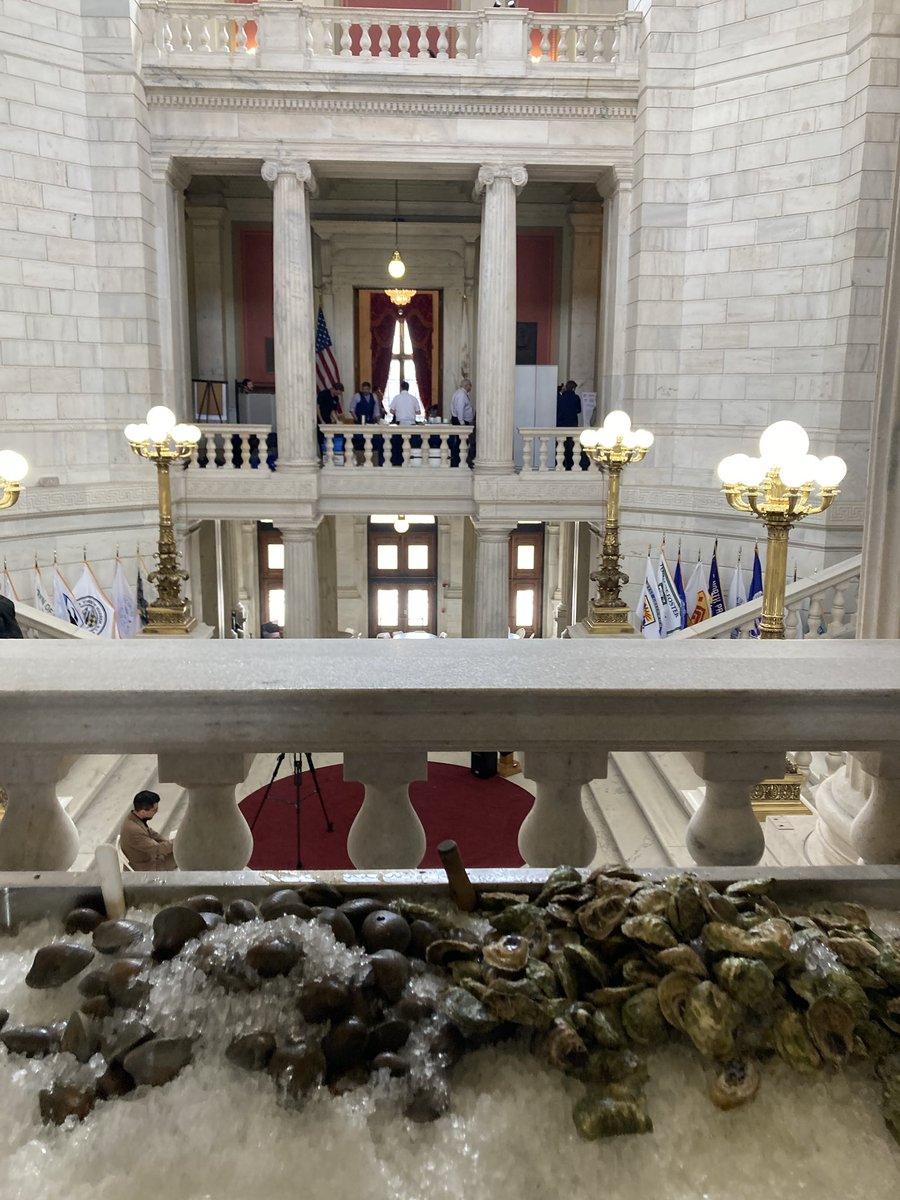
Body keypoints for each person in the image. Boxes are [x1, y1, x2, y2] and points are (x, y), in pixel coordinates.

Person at [119, 790, 176, 871]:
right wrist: (178, 842)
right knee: (184, 854)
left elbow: (152, 833)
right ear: (143, 812)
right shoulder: (134, 830)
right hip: (147, 866)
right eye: (154, 810)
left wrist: (169, 841)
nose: (157, 811)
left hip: (149, 857)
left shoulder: (134, 817)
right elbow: (157, 849)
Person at [389, 380, 423, 465]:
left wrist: (399, 411)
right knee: (411, 444)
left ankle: (398, 462)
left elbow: (391, 411)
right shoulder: (413, 398)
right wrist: (410, 411)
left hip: (400, 424)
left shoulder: (397, 398)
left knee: (399, 445)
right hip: (411, 424)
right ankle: (410, 462)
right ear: (408, 388)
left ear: (401, 388)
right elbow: (418, 412)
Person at [351, 381, 383, 466]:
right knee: (359, 440)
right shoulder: (357, 396)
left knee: (372, 440)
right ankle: (360, 458)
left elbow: (376, 410)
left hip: (370, 422)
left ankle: (373, 460)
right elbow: (352, 409)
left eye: (367, 389)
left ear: (369, 389)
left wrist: (378, 421)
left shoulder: (374, 396)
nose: (365, 391)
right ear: (362, 389)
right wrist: (356, 419)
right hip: (359, 422)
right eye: (364, 389)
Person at [557, 379, 582, 470]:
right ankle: (570, 465)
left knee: (561, 445)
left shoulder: (560, 398)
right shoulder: (576, 398)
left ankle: (561, 464)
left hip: (561, 423)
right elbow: (578, 410)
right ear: (573, 388)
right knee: (571, 446)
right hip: (572, 423)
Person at [449, 378, 475, 467]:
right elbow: (460, 409)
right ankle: (458, 462)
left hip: (460, 420)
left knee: (462, 442)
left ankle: (459, 461)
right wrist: (462, 423)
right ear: (467, 385)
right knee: (461, 442)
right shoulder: (461, 395)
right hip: (461, 421)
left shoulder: (460, 393)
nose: (471, 387)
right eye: (470, 385)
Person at [316, 382, 344, 458]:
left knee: (328, 438)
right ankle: (322, 456)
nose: (338, 394)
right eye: (338, 392)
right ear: (334, 389)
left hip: (327, 419)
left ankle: (329, 456)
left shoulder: (335, 398)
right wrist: (321, 420)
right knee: (321, 439)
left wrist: (337, 420)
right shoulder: (324, 394)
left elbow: (332, 411)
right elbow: (317, 407)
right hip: (319, 418)